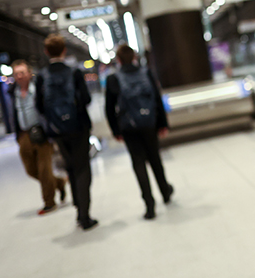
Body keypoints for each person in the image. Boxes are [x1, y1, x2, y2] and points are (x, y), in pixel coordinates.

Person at [36, 34, 97, 231]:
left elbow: (39, 105)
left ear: (46, 52)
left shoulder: (42, 77)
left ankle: (78, 207)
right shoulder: (74, 73)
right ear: (64, 50)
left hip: (58, 131)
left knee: (70, 167)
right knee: (82, 168)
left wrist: (55, 119)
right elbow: (86, 99)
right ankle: (84, 215)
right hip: (79, 127)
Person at [105, 44, 173, 220]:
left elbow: (109, 108)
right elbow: (157, 99)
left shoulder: (113, 78)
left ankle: (149, 204)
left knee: (138, 163)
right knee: (155, 158)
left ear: (118, 60)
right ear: (134, 57)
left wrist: (115, 130)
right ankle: (165, 191)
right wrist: (162, 123)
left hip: (128, 126)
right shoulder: (146, 73)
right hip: (148, 123)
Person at [9, 59, 67, 215]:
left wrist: (51, 130)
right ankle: (59, 183)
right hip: (24, 135)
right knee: (31, 170)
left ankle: (49, 202)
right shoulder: (13, 93)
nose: (19, 76)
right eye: (16, 74)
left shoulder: (39, 89)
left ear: (29, 73)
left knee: (44, 170)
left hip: (42, 133)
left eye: (22, 73)